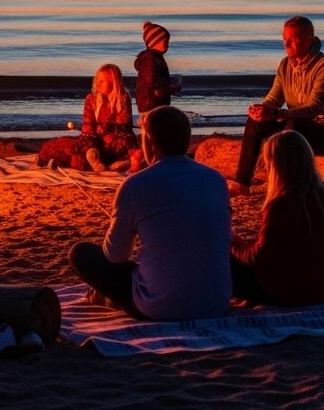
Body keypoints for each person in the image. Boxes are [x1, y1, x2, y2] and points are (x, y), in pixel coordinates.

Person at [68, 105, 232, 321]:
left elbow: (115, 256)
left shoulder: (135, 185)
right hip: (216, 303)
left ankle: (115, 300)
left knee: (80, 254)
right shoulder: (216, 180)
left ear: (149, 143)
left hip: (159, 307)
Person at [230, 15, 324, 197]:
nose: (286, 44)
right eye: (284, 39)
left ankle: (288, 186)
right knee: (255, 123)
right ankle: (242, 182)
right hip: (294, 124)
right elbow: (275, 97)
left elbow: (315, 108)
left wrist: (275, 113)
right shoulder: (285, 64)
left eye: (292, 40)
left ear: (308, 40)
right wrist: (261, 109)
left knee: (293, 126)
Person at [230, 131, 324, 305]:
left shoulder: (281, 204)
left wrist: (231, 240)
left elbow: (258, 259)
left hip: (287, 293)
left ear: (274, 164)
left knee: (221, 253)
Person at [36, 64, 140, 172]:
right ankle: (99, 160)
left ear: (113, 82)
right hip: (96, 141)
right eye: (97, 80)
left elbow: (123, 123)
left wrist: (106, 131)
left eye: (102, 81)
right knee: (80, 146)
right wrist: (92, 137)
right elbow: (88, 126)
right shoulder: (91, 99)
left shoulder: (123, 98)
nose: (97, 84)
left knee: (126, 141)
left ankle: (121, 162)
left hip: (116, 142)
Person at [134, 21, 181, 114]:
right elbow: (151, 80)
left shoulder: (156, 57)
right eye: (165, 41)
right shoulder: (150, 58)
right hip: (151, 101)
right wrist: (169, 86)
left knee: (157, 122)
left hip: (153, 100)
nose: (168, 44)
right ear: (153, 43)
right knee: (153, 123)